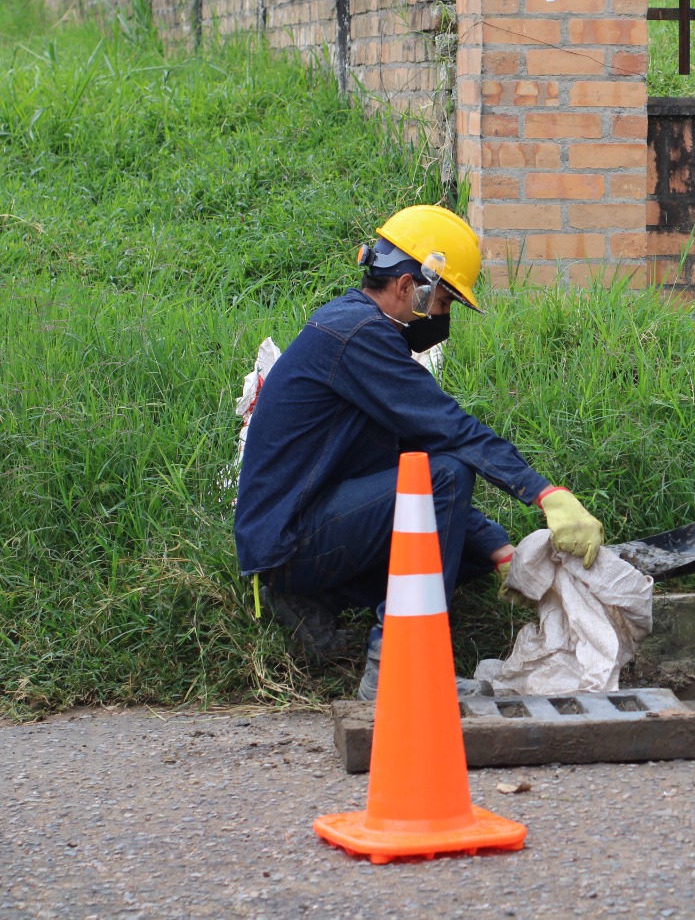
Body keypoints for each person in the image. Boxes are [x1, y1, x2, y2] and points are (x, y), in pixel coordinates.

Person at [234, 204, 605, 699]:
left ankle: (316, 602)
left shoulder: (355, 328)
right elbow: (450, 433)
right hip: (291, 540)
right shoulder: (360, 336)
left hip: (300, 531)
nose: (443, 318)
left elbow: (409, 459)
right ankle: (396, 664)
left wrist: (500, 551)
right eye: (445, 302)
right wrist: (546, 494)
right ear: (411, 287)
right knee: (446, 477)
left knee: (462, 548)